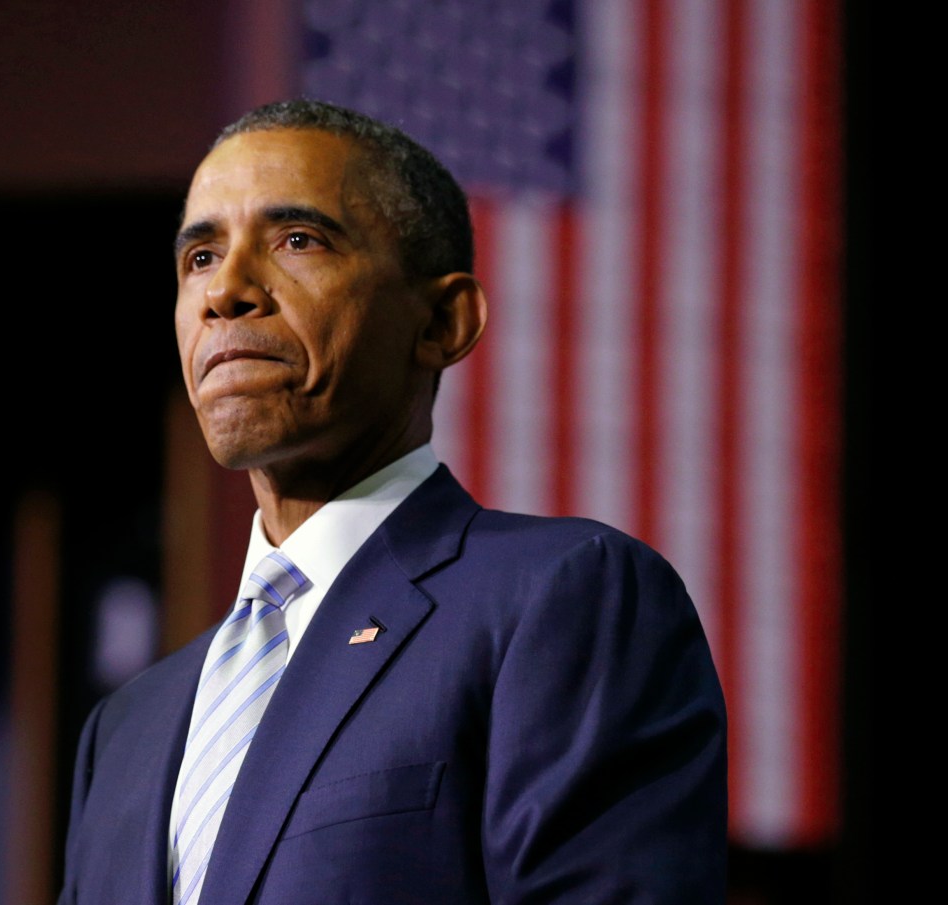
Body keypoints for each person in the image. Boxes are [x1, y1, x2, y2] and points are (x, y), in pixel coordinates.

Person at [56, 98, 727, 905]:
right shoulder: (125, 728)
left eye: (297, 240)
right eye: (200, 256)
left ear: (443, 321)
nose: (224, 291)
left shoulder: (561, 600)